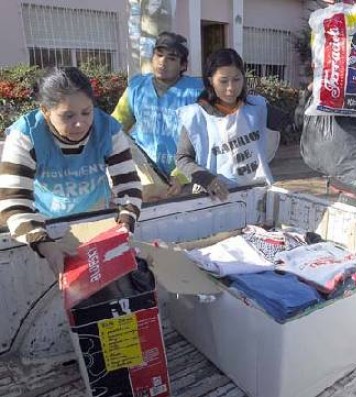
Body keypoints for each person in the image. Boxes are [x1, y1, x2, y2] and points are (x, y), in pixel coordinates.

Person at [0, 67, 143, 275]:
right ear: (45, 111)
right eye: (68, 116)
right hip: (47, 225)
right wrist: (45, 245)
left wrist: (125, 224)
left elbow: (129, 186)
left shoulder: (108, 130)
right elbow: (13, 202)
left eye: (87, 112)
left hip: (97, 220)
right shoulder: (26, 136)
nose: (80, 123)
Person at [112, 31, 203, 197]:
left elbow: (203, 139)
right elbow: (116, 127)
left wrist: (181, 175)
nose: (163, 62)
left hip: (182, 179)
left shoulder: (196, 92)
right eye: (159, 55)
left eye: (172, 58)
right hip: (145, 175)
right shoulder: (136, 88)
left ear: (183, 66)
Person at [175, 48, 274, 201]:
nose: (230, 88)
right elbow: (183, 158)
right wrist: (205, 178)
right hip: (214, 197)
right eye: (223, 81)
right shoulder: (196, 116)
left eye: (236, 79)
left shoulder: (257, 106)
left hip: (257, 193)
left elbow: (293, 121)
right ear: (210, 80)